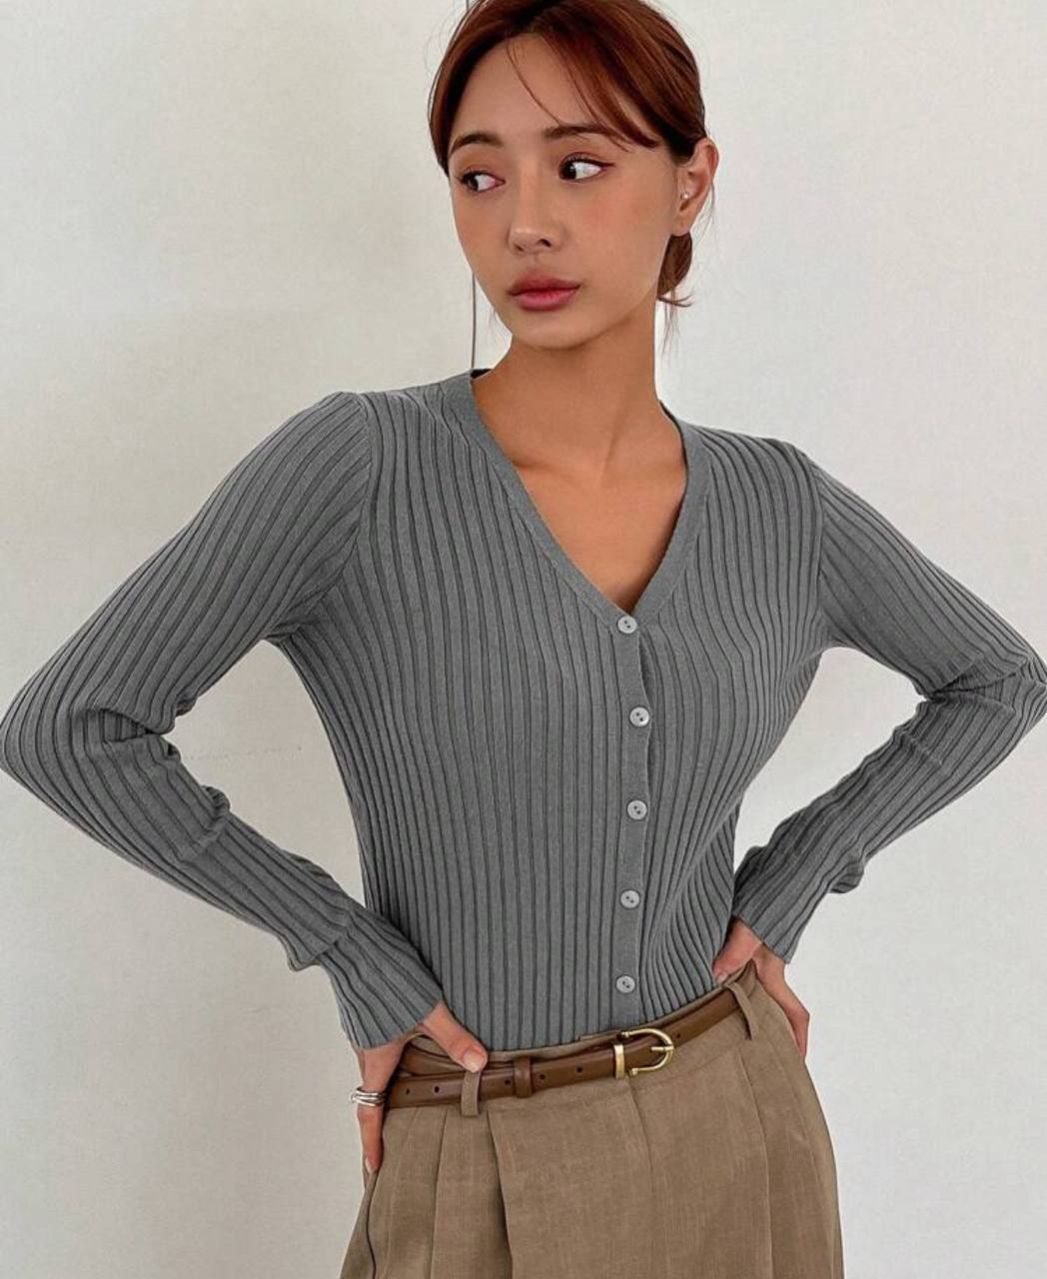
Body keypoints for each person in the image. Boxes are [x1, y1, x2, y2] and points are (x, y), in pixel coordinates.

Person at [2, 2, 1044, 1276]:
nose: (524, 224)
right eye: (479, 175)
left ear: (690, 182)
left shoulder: (782, 504)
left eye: (581, 165)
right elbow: (71, 728)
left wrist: (798, 872)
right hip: (480, 1140)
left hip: (738, 1121)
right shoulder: (358, 468)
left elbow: (998, 678)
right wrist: (346, 947)